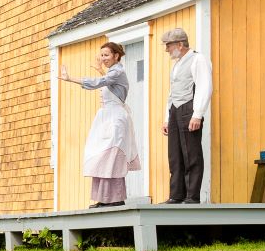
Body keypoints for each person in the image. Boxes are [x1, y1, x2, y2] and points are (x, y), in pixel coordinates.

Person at [59, 42, 142, 209]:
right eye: (102, 55)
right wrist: (100, 69)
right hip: (107, 118)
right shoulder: (113, 72)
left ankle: (115, 199)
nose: (103, 58)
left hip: (115, 120)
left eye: (107, 55)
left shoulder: (118, 71)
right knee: (101, 156)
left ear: (116, 56)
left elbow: (101, 82)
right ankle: (105, 198)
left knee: (111, 157)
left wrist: (70, 78)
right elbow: (109, 82)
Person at [160, 28, 211, 204]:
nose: (166, 49)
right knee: (175, 154)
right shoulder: (176, 64)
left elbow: (204, 87)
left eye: (168, 45)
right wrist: (167, 117)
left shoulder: (198, 59)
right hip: (175, 110)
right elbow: (172, 92)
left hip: (189, 109)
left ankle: (191, 196)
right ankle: (176, 195)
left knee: (191, 154)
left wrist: (197, 114)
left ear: (180, 44)